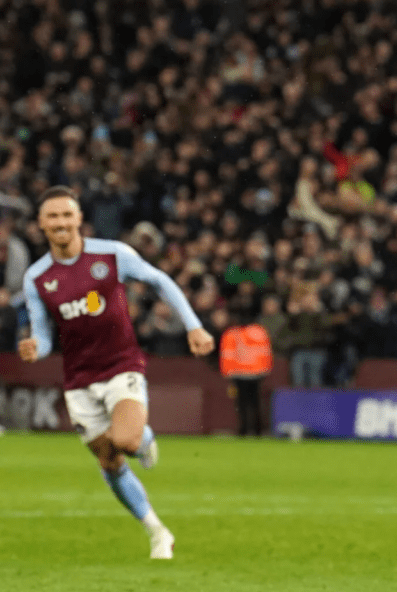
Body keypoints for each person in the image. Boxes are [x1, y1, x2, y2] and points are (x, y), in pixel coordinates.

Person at [18, 186, 214, 559]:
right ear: (41, 224)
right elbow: (44, 335)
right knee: (109, 462)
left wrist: (193, 325)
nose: (60, 222)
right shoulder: (37, 278)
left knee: (125, 440)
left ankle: (143, 436)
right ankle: (157, 531)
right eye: (52, 217)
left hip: (121, 365)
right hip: (78, 379)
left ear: (78, 219)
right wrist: (35, 347)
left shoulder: (111, 254)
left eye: (66, 215)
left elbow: (161, 281)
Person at [219, 312, 273, 436]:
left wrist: (227, 373)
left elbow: (226, 354)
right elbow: (265, 352)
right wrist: (265, 370)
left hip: (239, 374)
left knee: (242, 403)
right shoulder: (259, 332)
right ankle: (257, 430)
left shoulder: (231, 333)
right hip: (256, 373)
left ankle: (244, 430)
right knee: (255, 403)